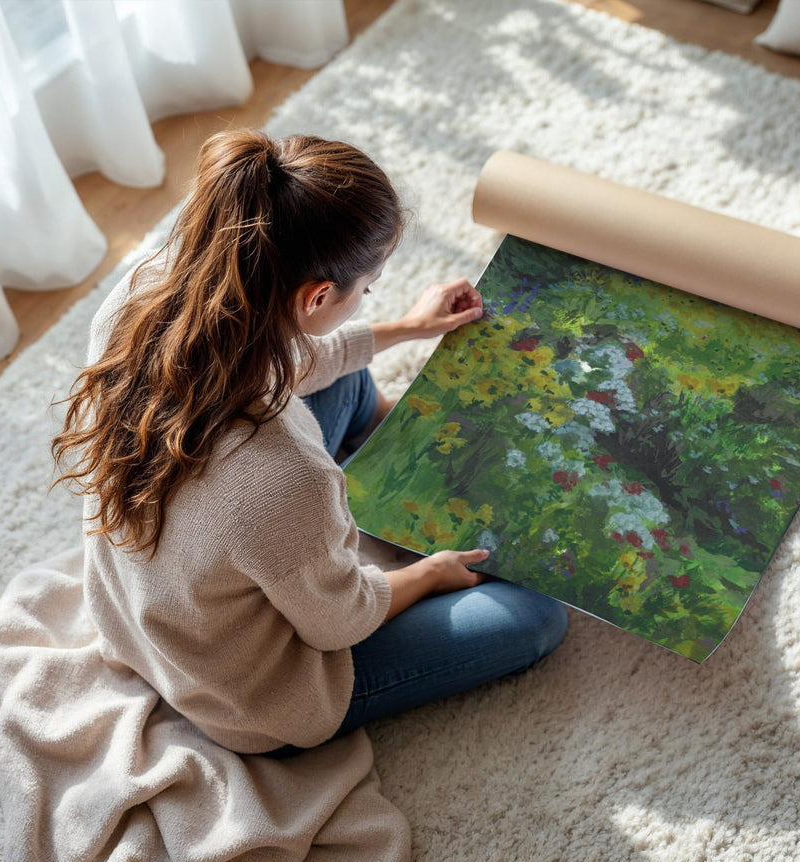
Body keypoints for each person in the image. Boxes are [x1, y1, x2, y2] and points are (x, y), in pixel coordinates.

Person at [52, 129, 567, 757]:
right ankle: (385, 499)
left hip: (144, 611)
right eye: (368, 289)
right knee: (535, 618)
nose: (368, 298)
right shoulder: (284, 476)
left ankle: (388, 461)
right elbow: (339, 622)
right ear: (318, 295)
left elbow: (293, 359)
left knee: (347, 378)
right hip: (247, 693)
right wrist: (429, 574)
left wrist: (408, 327)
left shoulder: (147, 289)